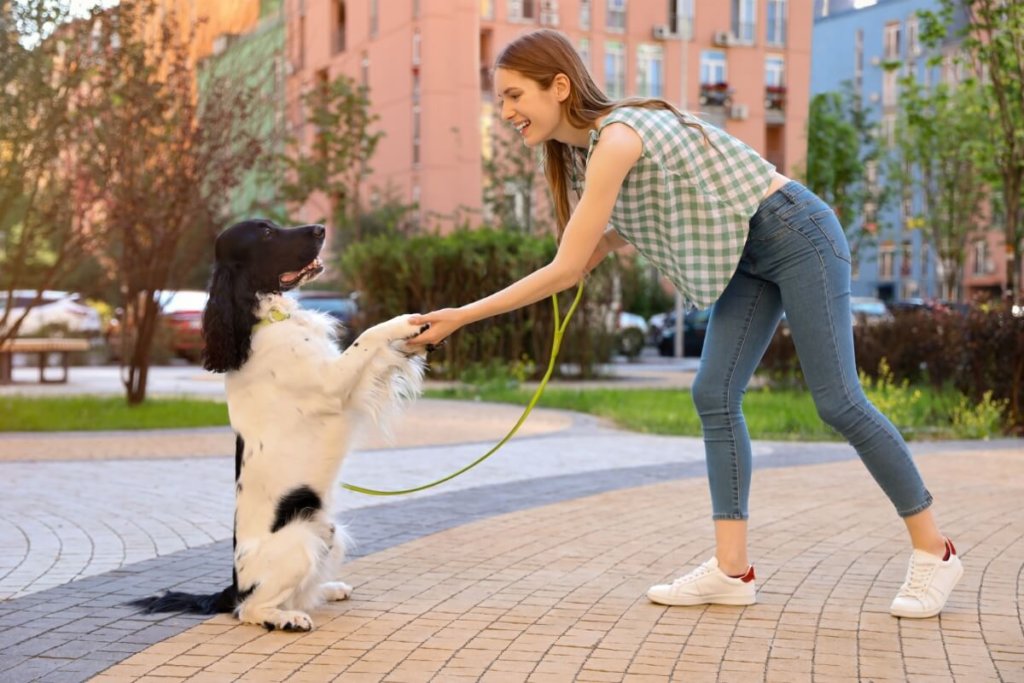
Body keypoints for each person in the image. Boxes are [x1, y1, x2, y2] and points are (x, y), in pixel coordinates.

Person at [408, 29, 961, 619]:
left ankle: (937, 552)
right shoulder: (587, 153)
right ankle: (732, 571)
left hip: (796, 234)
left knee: (838, 401)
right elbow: (639, 218)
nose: (507, 112)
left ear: (559, 86)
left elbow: (566, 268)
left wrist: (461, 316)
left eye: (515, 95)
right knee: (714, 394)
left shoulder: (617, 137)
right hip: (747, 252)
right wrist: (600, 245)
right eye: (500, 101)